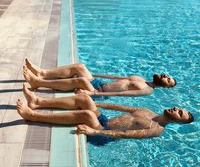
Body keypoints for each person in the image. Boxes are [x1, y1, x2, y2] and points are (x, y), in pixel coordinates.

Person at [17, 84, 193, 139]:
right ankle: (38, 101)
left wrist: (95, 131)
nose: (177, 109)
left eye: (180, 113)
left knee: (87, 114)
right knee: (85, 100)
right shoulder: (147, 110)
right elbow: (120, 107)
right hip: (105, 121)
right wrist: (96, 103)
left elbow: (125, 135)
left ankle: (31, 115)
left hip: (103, 133)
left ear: (178, 122)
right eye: (179, 108)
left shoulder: (157, 130)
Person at [23, 58, 176, 97]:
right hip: (100, 83)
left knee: (82, 80)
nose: (165, 76)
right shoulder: (141, 79)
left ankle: (38, 83)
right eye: (168, 76)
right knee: (80, 67)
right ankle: (43, 73)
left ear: (166, 87)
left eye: (168, 80)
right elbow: (115, 77)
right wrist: (95, 74)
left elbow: (123, 93)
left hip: (100, 93)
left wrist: (94, 94)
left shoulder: (147, 90)